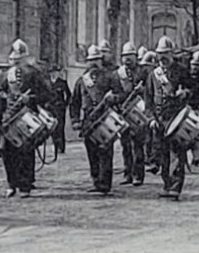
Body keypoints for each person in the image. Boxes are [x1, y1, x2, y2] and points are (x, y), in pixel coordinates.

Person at [0, 39, 50, 197]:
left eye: (19, 59)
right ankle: (11, 183)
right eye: (15, 60)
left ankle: (25, 184)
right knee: (7, 151)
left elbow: (47, 94)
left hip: (27, 117)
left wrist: (32, 99)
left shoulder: (34, 73)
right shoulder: (6, 74)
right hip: (9, 116)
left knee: (25, 151)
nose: (17, 62)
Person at [145, 36, 190, 199]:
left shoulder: (182, 71)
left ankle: (176, 187)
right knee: (162, 153)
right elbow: (147, 99)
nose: (162, 57)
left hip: (176, 117)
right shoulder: (152, 75)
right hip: (159, 119)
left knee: (177, 153)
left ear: (172, 53)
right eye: (159, 54)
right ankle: (166, 185)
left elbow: (194, 91)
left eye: (165, 53)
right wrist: (150, 119)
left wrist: (185, 93)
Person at [71, 44, 119, 194]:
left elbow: (120, 95)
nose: (93, 63)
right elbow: (75, 102)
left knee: (105, 151)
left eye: (96, 60)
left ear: (100, 61)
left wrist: (113, 98)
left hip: (105, 118)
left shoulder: (110, 77)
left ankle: (105, 183)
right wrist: (75, 120)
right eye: (91, 60)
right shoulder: (81, 80)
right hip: (88, 120)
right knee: (92, 152)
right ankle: (96, 180)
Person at [115, 42, 146, 186]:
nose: (127, 59)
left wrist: (142, 90)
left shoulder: (143, 72)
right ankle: (127, 173)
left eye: (130, 56)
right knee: (125, 144)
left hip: (138, 111)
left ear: (136, 57)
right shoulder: (118, 73)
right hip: (124, 111)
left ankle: (138, 175)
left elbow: (150, 90)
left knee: (137, 145)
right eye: (125, 56)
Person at [47, 65, 70, 156]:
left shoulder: (62, 83)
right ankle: (55, 145)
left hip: (60, 108)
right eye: (52, 72)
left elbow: (69, 95)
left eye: (55, 72)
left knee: (60, 127)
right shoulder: (47, 83)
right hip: (50, 109)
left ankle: (61, 147)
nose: (53, 74)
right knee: (53, 128)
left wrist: (65, 104)